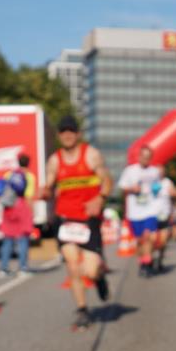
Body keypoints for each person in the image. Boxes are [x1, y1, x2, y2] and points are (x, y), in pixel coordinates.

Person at [42, 116, 112, 330]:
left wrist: (100, 198)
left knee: (89, 271)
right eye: (63, 131)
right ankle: (82, 310)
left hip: (88, 220)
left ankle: (99, 278)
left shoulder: (91, 155)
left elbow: (107, 181)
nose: (67, 134)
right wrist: (44, 193)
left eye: (71, 130)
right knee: (73, 268)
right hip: (65, 219)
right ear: (59, 135)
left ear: (78, 134)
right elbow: (50, 186)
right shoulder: (54, 161)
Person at [117, 147, 163, 277]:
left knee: (149, 236)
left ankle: (147, 261)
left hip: (150, 209)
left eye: (148, 157)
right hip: (135, 211)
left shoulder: (154, 172)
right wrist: (132, 189)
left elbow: (157, 187)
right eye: (143, 156)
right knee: (139, 240)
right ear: (139, 156)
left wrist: (156, 190)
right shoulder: (130, 171)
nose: (145, 159)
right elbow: (122, 187)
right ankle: (143, 261)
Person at [0, 153, 36, 277]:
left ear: (18, 162)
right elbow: (29, 196)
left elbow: (3, 191)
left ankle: (3, 268)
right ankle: (22, 268)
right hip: (22, 206)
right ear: (28, 163)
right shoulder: (29, 176)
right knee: (23, 239)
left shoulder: (9, 175)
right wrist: (32, 212)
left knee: (7, 239)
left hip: (8, 208)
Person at [151, 166, 176, 273]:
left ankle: (160, 260)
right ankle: (149, 260)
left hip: (165, 215)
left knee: (163, 241)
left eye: (162, 171)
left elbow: (173, 197)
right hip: (151, 215)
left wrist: (172, 212)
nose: (160, 173)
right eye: (158, 171)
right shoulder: (149, 182)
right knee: (151, 240)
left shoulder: (168, 182)